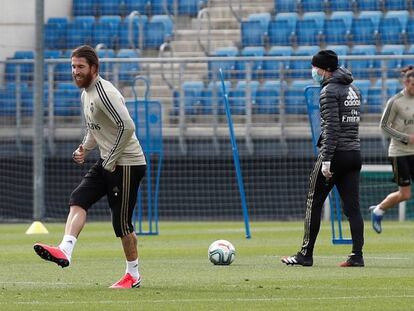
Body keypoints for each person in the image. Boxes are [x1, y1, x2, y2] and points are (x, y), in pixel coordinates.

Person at [33, 45, 147, 288]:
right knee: (78, 198)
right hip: (108, 160)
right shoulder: (86, 94)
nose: (75, 71)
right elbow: (95, 128)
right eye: (73, 67)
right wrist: (84, 148)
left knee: (122, 223)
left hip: (126, 163)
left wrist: (112, 159)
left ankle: (133, 275)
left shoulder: (105, 92)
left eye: (80, 67)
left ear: (94, 68)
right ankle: (65, 250)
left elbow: (127, 127)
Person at [281, 50, 365, 267]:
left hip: (335, 154)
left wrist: (326, 159)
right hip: (354, 153)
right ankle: (357, 255)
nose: (313, 72)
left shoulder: (328, 91)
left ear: (325, 69)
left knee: (314, 201)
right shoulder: (353, 89)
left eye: (315, 68)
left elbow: (332, 128)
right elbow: (351, 126)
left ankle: (305, 255)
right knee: (352, 208)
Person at [369, 66, 414, 234]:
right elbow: (383, 126)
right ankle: (378, 210)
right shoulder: (395, 101)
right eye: (413, 85)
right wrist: (405, 137)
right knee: (405, 194)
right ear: (406, 83)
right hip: (400, 153)